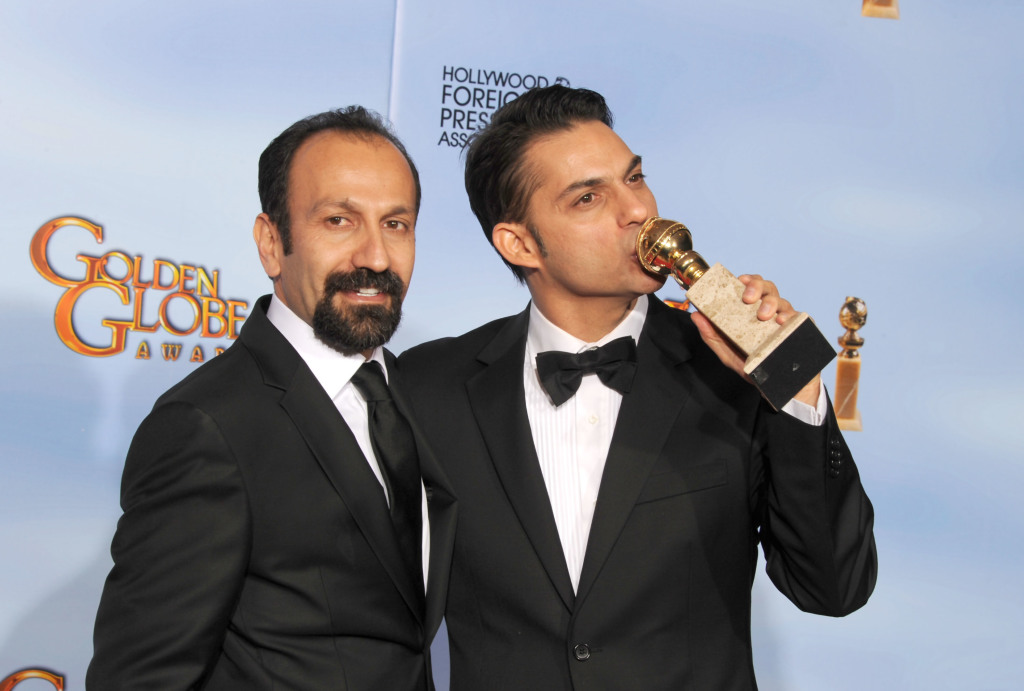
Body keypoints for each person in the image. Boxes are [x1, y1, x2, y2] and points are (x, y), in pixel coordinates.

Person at [397, 86, 876, 690]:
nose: (637, 212)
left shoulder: (731, 374)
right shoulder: (427, 388)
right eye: (589, 198)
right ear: (518, 243)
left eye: (636, 178)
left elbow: (835, 587)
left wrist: (794, 387)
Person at [87, 107, 456, 690]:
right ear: (270, 243)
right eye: (339, 220)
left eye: (396, 224)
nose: (376, 257)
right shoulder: (208, 427)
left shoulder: (421, 395)